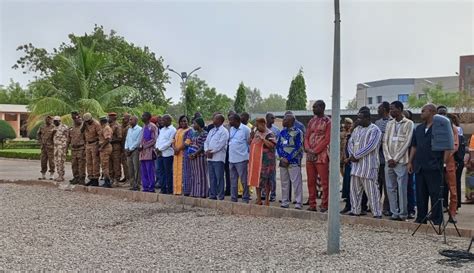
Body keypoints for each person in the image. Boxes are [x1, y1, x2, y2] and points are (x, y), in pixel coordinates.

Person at [408, 104, 446, 225]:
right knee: (420, 194)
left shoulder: (440, 128)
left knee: (435, 194)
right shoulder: (418, 128)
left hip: (434, 166)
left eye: (423, 111)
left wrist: (443, 162)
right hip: (419, 166)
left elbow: (448, 148)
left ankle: (436, 219)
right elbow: (414, 145)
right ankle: (421, 218)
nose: (421, 113)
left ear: (432, 112)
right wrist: (410, 161)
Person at [348, 110, 383, 218]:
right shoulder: (357, 129)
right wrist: (352, 155)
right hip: (356, 166)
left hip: (368, 166)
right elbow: (350, 143)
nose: (358, 120)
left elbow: (371, 146)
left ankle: (377, 213)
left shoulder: (375, 130)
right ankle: (355, 210)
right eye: (357, 118)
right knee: (354, 190)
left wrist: (356, 155)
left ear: (368, 118)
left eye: (360, 118)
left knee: (372, 191)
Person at [382, 101, 414, 221]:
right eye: (390, 110)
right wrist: (388, 158)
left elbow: (407, 143)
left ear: (400, 109)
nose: (391, 112)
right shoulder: (390, 124)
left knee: (402, 188)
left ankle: (403, 213)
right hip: (388, 161)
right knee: (390, 188)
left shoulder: (409, 123)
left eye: (393, 109)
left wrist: (395, 159)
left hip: (401, 162)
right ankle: (394, 213)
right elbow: (384, 141)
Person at [305, 100, 331, 212]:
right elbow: (306, 136)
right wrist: (307, 149)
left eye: (315, 107)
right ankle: (312, 204)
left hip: (322, 156)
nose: (313, 109)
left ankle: (325, 205)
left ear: (322, 107)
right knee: (311, 181)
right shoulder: (311, 121)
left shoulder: (328, 121)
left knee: (324, 183)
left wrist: (315, 151)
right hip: (309, 156)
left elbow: (327, 139)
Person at [277, 114, 304, 209]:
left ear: (291, 121)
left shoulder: (298, 132)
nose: (283, 120)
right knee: (284, 182)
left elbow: (298, 147)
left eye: (285, 119)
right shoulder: (282, 132)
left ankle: (298, 202)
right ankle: (285, 202)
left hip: (293, 162)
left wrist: (288, 158)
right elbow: (278, 146)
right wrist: (281, 158)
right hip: (283, 162)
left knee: (296, 182)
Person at [248, 118, 277, 206]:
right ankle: (259, 199)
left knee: (267, 181)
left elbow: (272, 145)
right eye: (256, 125)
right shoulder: (256, 132)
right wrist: (252, 135)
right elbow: (250, 142)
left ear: (263, 124)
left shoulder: (269, 133)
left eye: (258, 125)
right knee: (257, 180)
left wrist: (263, 139)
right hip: (257, 161)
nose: (257, 127)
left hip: (267, 162)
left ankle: (267, 200)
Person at [437, 107, 459, 223]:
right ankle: (436, 213)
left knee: (453, 189)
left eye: (444, 113)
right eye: (439, 113)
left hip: (449, 161)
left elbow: (455, 146)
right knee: (436, 188)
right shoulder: (435, 128)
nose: (442, 115)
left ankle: (453, 213)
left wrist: (445, 158)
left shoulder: (453, 128)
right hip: (436, 161)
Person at [204, 114, 229, 200]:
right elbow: (206, 142)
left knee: (219, 177)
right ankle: (212, 195)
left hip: (218, 157)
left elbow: (221, 144)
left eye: (215, 119)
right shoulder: (211, 130)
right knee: (212, 177)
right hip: (210, 157)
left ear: (220, 121)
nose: (213, 120)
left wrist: (212, 151)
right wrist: (206, 150)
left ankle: (221, 196)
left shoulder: (224, 131)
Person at [228, 113, 251, 203]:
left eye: (231, 120)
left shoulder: (246, 129)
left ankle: (245, 198)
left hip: (242, 159)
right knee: (233, 181)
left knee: (244, 180)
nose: (229, 121)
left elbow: (249, 144)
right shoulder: (231, 129)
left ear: (237, 120)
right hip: (232, 159)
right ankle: (234, 199)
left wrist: (248, 157)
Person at [375, 101, 392, 216]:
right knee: (377, 185)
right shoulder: (377, 122)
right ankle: (376, 206)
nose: (378, 110)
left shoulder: (392, 122)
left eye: (380, 108)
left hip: (388, 159)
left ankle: (387, 207)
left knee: (388, 185)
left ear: (385, 109)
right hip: (377, 159)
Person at [186, 117, 209, 198]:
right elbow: (191, 143)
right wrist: (190, 154)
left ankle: (202, 193)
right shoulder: (194, 133)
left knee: (201, 174)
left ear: (199, 124)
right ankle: (195, 192)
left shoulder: (205, 134)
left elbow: (203, 146)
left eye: (195, 123)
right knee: (194, 174)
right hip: (193, 157)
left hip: (200, 157)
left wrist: (195, 153)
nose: (193, 125)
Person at [156, 114, 176, 194]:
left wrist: (160, 149)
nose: (162, 121)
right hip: (160, 154)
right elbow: (158, 140)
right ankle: (163, 188)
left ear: (168, 120)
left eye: (163, 120)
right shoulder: (162, 130)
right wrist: (157, 148)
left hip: (168, 154)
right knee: (161, 171)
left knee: (168, 172)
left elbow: (170, 142)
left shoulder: (173, 130)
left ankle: (169, 189)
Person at [139, 112, 158, 192]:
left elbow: (154, 140)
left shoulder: (153, 127)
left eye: (143, 116)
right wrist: (140, 146)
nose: (142, 117)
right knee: (143, 170)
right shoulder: (143, 126)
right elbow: (141, 138)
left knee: (150, 170)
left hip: (149, 152)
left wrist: (144, 146)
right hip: (142, 152)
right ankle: (145, 187)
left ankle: (151, 187)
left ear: (148, 117)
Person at [263, 112, 280, 202]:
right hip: (263, 156)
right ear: (267, 118)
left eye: (274, 118)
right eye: (272, 118)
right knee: (263, 175)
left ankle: (272, 195)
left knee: (272, 176)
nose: (273, 120)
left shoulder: (276, 130)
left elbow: (278, 143)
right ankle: (264, 193)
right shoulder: (262, 129)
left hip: (273, 155)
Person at [83, 113, 102, 186]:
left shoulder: (96, 124)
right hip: (88, 144)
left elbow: (100, 136)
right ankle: (91, 178)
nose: (88, 122)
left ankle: (96, 179)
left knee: (95, 162)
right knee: (89, 162)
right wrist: (84, 124)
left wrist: (99, 147)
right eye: (86, 121)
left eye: (88, 121)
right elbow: (82, 131)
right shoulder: (85, 124)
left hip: (95, 144)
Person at [172, 115, 190, 195]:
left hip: (184, 154)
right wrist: (174, 148)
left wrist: (178, 149)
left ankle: (183, 190)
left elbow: (187, 142)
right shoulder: (178, 130)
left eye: (185, 121)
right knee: (176, 172)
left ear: (188, 122)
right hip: (176, 155)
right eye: (181, 121)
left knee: (183, 173)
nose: (183, 122)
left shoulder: (190, 130)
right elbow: (172, 141)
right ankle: (176, 190)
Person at [124, 115, 142, 191]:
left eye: (131, 120)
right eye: (129, 120)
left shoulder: (140, 129)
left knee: (136, 168)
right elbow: (127, 139)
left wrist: (131, 149)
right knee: (130, 168)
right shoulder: (129, 129)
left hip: (135, 151)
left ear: (136, 121)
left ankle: (137, 185)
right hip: (128, 151)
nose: (129, 121)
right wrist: (126, 148)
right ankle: (132, 184)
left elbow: (138, 141)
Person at [68, 111, 86, 185]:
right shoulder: (71, 128)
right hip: (73, 148)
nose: (77, 120)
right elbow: (68, 139)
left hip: (81, 148)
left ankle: (82, 179)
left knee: (81, 164)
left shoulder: (83, 127)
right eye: (74, 118)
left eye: (78, 118)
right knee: (74, 164)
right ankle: (76, 177)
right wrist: (66, 148)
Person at [37, 115, 55, 180]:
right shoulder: (42, 127)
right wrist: (40, 141)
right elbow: (38, 134)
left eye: (49, 120)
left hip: (50, 147)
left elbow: (56, 137)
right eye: (47, 120)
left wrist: (54, 143)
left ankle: (52, 173)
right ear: (45, 120)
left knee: (51, 161)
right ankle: (43, 174)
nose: (48, 121)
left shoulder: (54, 127)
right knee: (43, 161)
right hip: (43, 147)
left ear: (51, 120)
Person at [52, 116, 69, 182]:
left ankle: (61, 176)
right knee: (56, 161)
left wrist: (67, 147)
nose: (54, 122)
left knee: (61, 161)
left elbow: (68, 137)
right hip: (56, 147)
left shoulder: (64, 127)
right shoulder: (54, 128)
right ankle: (59, 175)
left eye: (56, 121)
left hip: (62, 147)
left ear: (59, 121)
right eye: (54, 121)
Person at [108, 112, 123, 186]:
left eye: (110, 117)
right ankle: (111, 178)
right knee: (109, 164)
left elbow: (120, 138)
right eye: (108, 117)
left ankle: (117, 179)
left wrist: (111, 141)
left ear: (114, 117)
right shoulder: (108, 126)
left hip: (116, 148)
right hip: (109, 148)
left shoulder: (117, 126)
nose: (109, 118)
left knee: (116, 164)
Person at [98, 116, 113, 188]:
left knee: (105, 165)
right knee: (104, 165)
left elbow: (107, 139)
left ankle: (107, 182)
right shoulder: (104, 127)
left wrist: (101, 147)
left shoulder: (106, 128)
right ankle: (106, 180)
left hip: (105, 148)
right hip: (104, 148)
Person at [120, 113, 131, 183]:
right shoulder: (122, 126)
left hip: (127, 147)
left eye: (124, 119)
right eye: (123, 118)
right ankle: (126, 176)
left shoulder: (129, 127)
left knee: (127, 164)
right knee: (124, 163)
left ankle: (129, 178)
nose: (123, 120)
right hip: (122, 146)